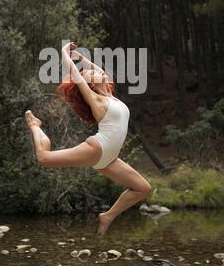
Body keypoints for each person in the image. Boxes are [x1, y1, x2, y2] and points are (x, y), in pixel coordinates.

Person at [25, 42, 151, 237]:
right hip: (98, 148)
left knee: (143, 188)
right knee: (43, 158)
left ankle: (107, 216)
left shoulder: (109, 94)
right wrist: (65, 53)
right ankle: (35, 125)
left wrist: (83, 58)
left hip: (109, 158)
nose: (95, 71)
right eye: (89, 73)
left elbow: (101, 72)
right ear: (90, 83)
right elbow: (77, 75)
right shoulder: (95, 98)